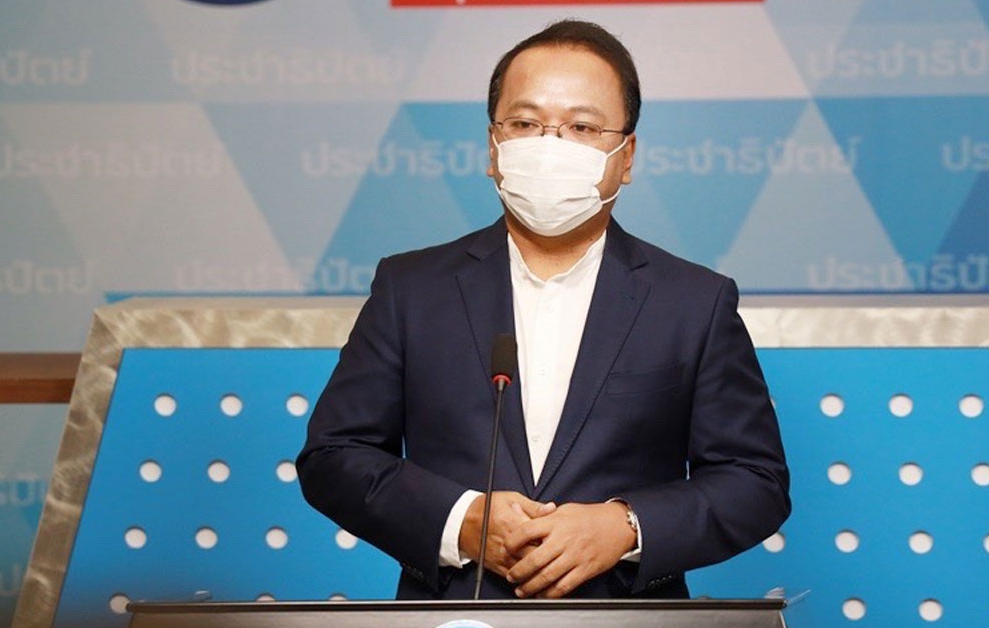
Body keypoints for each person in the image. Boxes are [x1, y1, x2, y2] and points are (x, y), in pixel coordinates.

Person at [296, 19, 790, 600]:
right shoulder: (411, 289)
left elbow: (755, 482)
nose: (550, 146)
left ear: (626, 156)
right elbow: (333, 456)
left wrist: (626, 527)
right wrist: (460, 521)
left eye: (582, 127)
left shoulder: (693, 302)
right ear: (493, 147)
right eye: (526, 124)